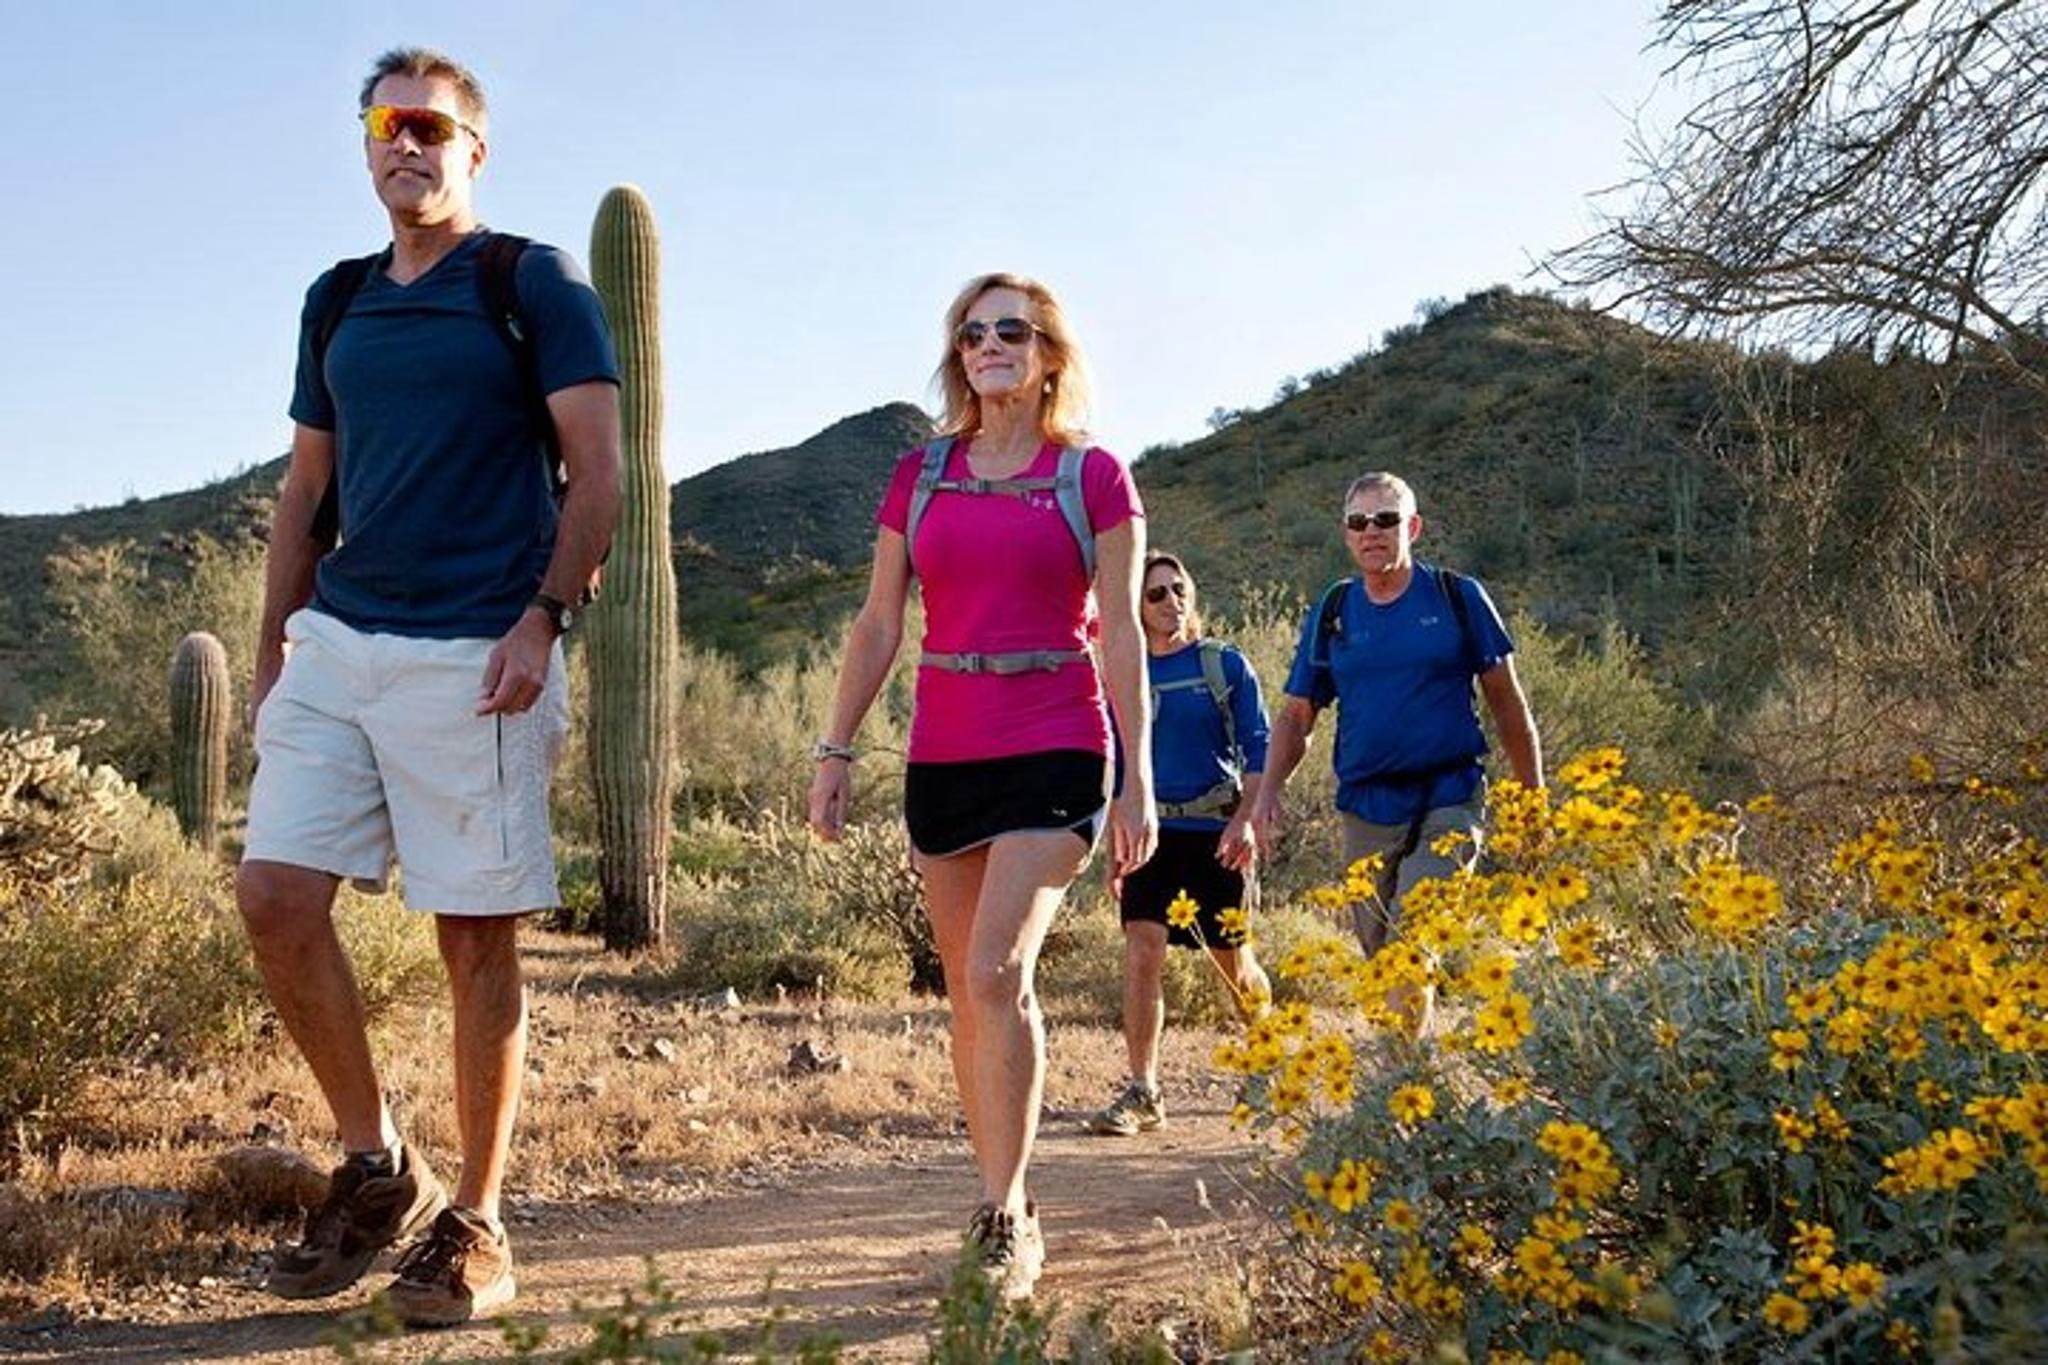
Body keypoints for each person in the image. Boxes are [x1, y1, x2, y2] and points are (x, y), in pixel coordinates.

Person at [237, 47, 620, 1328]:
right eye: (384, 123)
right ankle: (375, 1162)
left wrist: (542, 620)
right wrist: (274, 643)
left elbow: (600, 467)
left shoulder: (533, 281)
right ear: (365, 145)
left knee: (473, 938)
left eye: (431, 126)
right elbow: (305, 488)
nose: (406, 143)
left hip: (477, 648)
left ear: (474, 149)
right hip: (341, 641)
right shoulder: (336, 300)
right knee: (276, 895)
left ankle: (481, 1220)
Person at [808, 272, 1157, 1299]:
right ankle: (1004, 1187)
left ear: (1049, 352)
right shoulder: (918, 477)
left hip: (1054, 739)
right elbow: (878, 623)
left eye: (1011, 329)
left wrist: (1137, 780)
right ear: (957, 354)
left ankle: (1002, 1213)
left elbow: (1125, 631)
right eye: (971, 332)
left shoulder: (1093, 477)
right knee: (970, 992)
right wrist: (834, 751)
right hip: (943, 750)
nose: (990, 344)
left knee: (998, 971)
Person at [1249, 473, 1541, 954]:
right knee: (1382, 960)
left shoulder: (1457, 597)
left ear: (1414, 527)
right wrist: (1265, 795)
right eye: (1358, 522)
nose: (1371, 531)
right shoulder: (1334, 610)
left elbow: (1507, 704)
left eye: (1386, 519)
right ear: (1346, 533)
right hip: (1366, 807)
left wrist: (1534, 802)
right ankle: (1404, 1035)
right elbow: (1297, 717)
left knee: (1414, 943)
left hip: (1449, 796)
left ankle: (1405, 1028)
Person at [1089, 553, 1273, 1137]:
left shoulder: (1223, 665)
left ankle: (1262, 1061)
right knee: (1143, 952)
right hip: (1148, 835)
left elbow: (1260, 750)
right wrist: (1113, 838)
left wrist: (1245, 820)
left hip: (1215, 832)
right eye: (1156, 595)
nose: (1172, 601)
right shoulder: (1123, 673)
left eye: (1178, 589)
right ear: (1136, 610)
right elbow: (1112, 760)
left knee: (1233, 965)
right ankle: (1143, 1090)